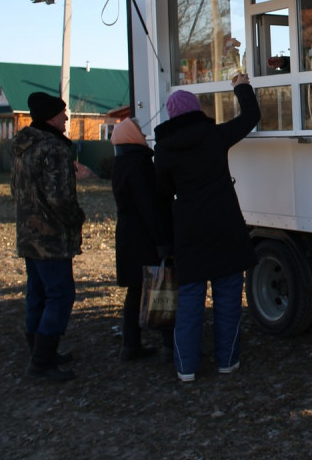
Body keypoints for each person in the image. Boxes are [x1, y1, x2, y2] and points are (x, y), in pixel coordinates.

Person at [154, 73, 261, 382]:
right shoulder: (213, 135)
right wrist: (241, 86)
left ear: (172, 116)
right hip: (224, 223)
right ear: (198, 109)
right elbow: (251, 116)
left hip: (188, 229)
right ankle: (227, 361)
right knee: (228, 299)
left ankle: (186, 368)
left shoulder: (164, 150)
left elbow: (161, 193)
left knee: (189, 303)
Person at [10, 92, 86, 381]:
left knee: (38, 294)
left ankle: (39, 352)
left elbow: (17, 191)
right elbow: (60, 198)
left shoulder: (23, 147)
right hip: (51, 236)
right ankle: (41, 362)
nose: (66, 118)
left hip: (28, 233)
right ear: (49, 117)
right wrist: (76, 218)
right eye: (61, 114)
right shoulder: (54, 149)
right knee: (60, 295)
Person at [109, 118, 173, 361]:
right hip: (144, 236)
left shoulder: (120, 163)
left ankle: (130, 343)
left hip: (127, 234)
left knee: (135, 291)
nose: (144, 137)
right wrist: (162, 240)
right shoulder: (140, 164)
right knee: (159, 286)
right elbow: (150, 206)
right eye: (140, 133)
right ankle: (168, 343)